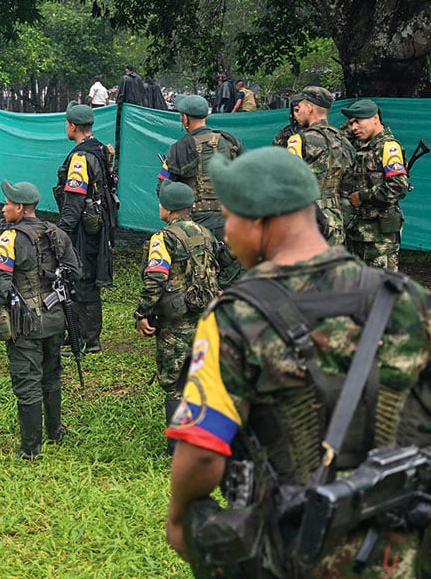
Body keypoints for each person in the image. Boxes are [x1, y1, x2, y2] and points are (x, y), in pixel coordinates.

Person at [165, 147, 431, 576]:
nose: (227, 235)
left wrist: (178, 519)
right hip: (403, 550)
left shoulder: (233, 317)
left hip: (294, 547)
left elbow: (201, 453)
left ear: (258, 222)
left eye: (230, 219)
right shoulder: (407, 300)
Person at [0, 180, 78, 460]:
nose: (3, 208)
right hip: (56, 319)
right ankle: (55, 431)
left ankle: (31, 449)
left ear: (20, 208)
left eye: (7, 203)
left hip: (25, 324)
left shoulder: (10, 239)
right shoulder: (56, 233)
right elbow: (75, 271)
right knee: (52, 376)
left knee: (28, 382)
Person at [133, 182, 239, 457]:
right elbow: (224, 260)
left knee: (174, 382)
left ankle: (177, 449)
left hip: (176, 322)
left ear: (166, 208)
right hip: (205, 316)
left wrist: (142, 312)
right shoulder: (204, 233)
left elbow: (155, 277)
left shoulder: (163, 238)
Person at [53, 103, 115, 354]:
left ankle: (90, 341)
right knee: (78, 279)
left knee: (83, 280)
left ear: (73, 126)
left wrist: (61, 233)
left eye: (67, 122)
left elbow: (75, 201)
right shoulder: (100, 148)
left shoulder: (80, 158)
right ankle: (76, 333)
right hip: (98, 225)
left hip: (83, 229)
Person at [157, 94, 244, 239]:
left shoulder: (179, 149)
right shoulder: (230, 141)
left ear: (185, 118)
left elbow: (163, 189)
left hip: (195, 226)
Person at [341, 99, 409, 270]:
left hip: (380, 238)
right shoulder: (362, 147)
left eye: (358, 121)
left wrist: (362, 196)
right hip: (360, 232)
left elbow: (398, 186)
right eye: (351, 123)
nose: (354, 127)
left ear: (375, 118)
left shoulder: (387, 147)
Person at [284, 86, 356, 246]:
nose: (297, 113)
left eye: (299, 107)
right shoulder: (344, 142)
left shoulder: (299, 140)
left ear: (309, 108)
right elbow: (349, 186)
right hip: (335, 221)